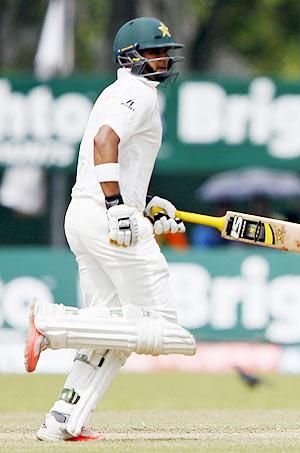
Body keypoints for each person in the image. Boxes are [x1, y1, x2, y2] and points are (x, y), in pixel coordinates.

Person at [24, 17, 196, 441]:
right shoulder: (138, 93)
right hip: (107, 218)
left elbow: (118, 156)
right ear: (132, 56)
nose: (163, 60)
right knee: (168, 328)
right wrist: (119, 206)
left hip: (87, 215)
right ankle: (52, 325)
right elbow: (105, 140)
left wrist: (144, 204)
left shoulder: (121, 92)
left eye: (165, 53)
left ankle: (64, 420)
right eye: (155, 52)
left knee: (112, 330)